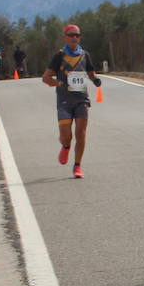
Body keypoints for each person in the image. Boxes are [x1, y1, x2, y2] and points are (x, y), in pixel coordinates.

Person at [42, 24, 101, 179]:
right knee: (66, 135)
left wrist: (95, 80)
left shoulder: (84, 54)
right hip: (64, 101)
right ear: (65, 37)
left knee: (81, 133)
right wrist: (57, 83)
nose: (74, 37)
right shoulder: (59, 56)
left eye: (77, 35)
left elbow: (90, 72)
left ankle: (77, 165)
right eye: (71, 35)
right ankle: (66, 146)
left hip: (81, 99)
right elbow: (45, 77)